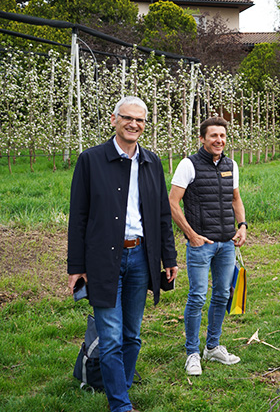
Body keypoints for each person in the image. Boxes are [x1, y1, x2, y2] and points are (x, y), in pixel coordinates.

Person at [67, 96, 179, 412]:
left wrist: (168, 259)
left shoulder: (151, 162)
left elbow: (161, 216)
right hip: (103, 260)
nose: (134, 124)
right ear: (113, 119)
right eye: (127, 118)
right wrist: (76, 266)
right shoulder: (90, 160)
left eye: (140, 120)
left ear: (145, 124)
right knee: (112, 337)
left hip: (141, 257)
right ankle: (120, 405)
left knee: (132, 335)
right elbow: (78, 216)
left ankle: (121, 385)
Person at [169, 116, 248, 376]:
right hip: (201, 244)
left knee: (222, 295)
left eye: (223, 136)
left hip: (226, 244)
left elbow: (235, 199)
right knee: (197, 296)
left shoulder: (231, 165)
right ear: (202, 138)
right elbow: (172, 202)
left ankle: (212, 347)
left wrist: (243, 225)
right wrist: (191, 235)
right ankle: (192, 352)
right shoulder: (188, 165)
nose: (219, 140)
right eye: (213, 136)